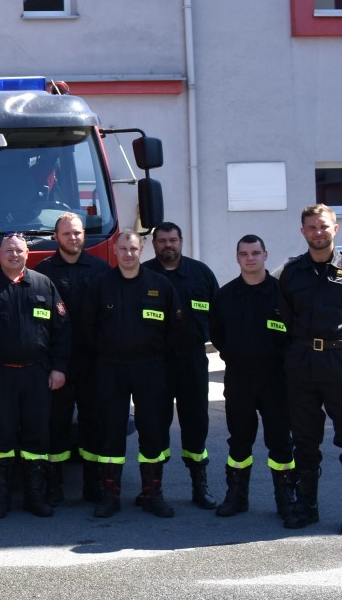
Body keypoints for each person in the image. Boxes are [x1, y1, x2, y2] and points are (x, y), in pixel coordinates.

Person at [278, 204, 342, 534]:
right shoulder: (292, 273)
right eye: (311, 227)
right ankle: (307, 506)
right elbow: (285, 318)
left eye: (323, 226)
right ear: (303, 232)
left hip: (341, 364)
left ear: (335, 229)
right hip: (303, 364)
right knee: (305, 441)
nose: (317, 232)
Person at [75, 231, 180, 518]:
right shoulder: (101, 285)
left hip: (150, 367)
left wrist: (157, 358)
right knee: (111, 430)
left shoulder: (160, 285)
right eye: (123, 249)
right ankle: (111, 495)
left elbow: (175, 330)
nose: (128, 254)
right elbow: (87, 329)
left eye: (133, 248)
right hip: (111, 368)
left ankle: (152, 494)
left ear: (141, 248)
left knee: (153, 430)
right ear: (115, 249)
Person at [0, 233, 70, 519]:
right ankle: (1, 498)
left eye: (19, 250)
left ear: (27, 254)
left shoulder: (44, 284)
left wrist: (59, 367)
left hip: (37, 375)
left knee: (37, 436)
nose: (14, 255)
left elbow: (61, 330)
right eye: (9, 251)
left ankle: (35, 497)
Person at [209, 235, 294, 518]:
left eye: (255, 253)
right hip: (239, 379)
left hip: (276, 379)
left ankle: (286, 497)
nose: (250, 258)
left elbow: (295, 334)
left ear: (265, 255)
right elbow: (217, 335)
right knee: (239, 439)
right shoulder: (226, 296)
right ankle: (236, 496)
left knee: (280, 440)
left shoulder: (282, 294)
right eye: (244, 254)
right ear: (237, 258)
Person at [36, 212, 110, 505]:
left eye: (77, 232)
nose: (73, 238)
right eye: (67, 233)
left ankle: (93, 485)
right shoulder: (44, 272)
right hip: (58, 362)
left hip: (93, 361)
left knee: (94, 422)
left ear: (84, 235)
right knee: (57, 423)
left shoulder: (101, 269)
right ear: (56, 237)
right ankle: (54, 485)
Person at [151, 222, 222, 509]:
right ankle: (153, 488)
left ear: (181, 242)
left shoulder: (200, 273)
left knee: (196, 421)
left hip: (192, 358)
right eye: (162, 241)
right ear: (154, 245)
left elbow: (219, 316)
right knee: (155, 423)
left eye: (173, 240)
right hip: (155, 361)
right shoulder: (145, 275)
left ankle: (199, 486)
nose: (168, 245)